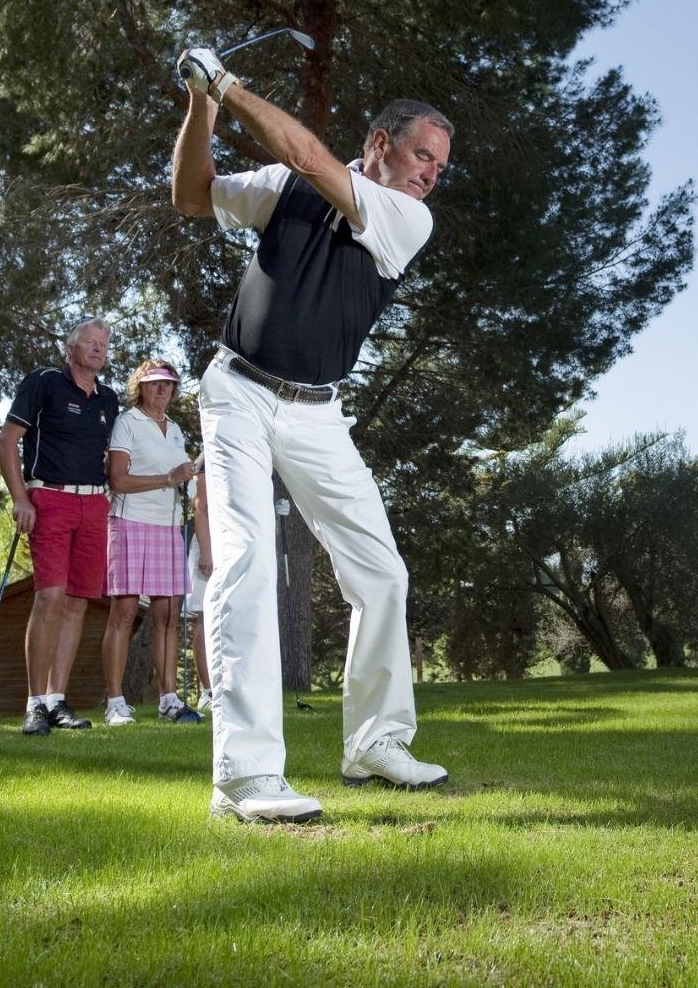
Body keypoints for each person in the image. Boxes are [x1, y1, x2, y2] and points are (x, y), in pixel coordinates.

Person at [172, 44, 452, 823]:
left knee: (382, 574)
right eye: (423, 155)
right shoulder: (283, 188)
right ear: (381, 143)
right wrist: (200, 105)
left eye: (439, 165)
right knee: (248, 562)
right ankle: (245, 776)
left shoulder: (406, 217)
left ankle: (375, 742)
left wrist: (225, 84)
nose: (431, 173)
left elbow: (305, 150)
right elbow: (192, 195)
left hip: (318, 412)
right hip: (237, 394)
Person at [0, 318, 120, 736]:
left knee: (78, 601)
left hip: (94, 502)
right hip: (48, 497)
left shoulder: (108, 398)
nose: (98, 349)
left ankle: (56, 700)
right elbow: (7, 441)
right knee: (49, 596)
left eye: (103, 344)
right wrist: (19, 497)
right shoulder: (44, 382)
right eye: (90, 342)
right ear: (71, 348)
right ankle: (33, 704)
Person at [101, 358, 201, 725]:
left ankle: (169, 699)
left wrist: (184, 481)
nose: (162, 389)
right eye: (154, 383)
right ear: (140, 386)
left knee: (168, 615)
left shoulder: (175, 429)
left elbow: (177, 478)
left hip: (167, 525)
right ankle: (115, 702)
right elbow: (118, 480)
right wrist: (168, 477)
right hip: (129, 521)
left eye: (168, 383)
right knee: (124, 612)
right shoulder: (127, 423)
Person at [182, 459, 214, 712]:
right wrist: (205, 551)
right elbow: (200, 507)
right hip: (208, 545)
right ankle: (207, 691)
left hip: (231, 544)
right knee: (205, 619)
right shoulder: (205, 459)